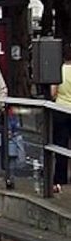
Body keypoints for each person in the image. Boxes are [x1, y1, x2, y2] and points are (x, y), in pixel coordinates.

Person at [50, 45, 71, 193]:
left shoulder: (58, 70)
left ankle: (60, 178)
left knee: (60, 145)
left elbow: (53, 92)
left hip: (60, 110)